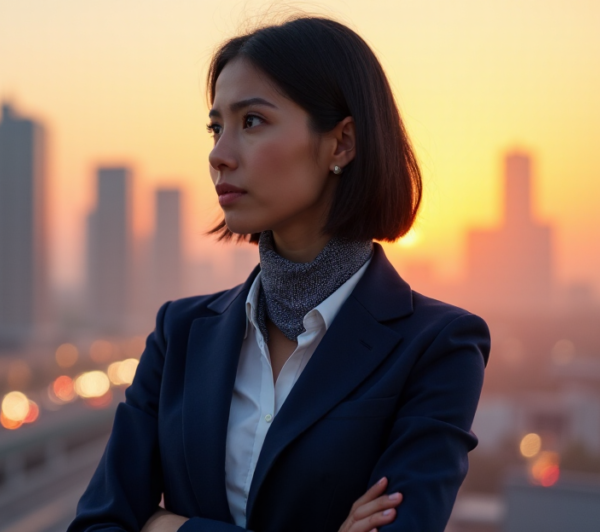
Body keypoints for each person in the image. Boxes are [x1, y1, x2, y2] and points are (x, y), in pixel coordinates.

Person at [68, 15, 491, 532]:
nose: (218, 156)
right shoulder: (179, 334)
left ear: (341, 144)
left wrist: (167, 526)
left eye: (251, 122)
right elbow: (97, 525)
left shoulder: (438, 347)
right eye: (216, 127)